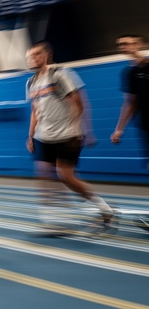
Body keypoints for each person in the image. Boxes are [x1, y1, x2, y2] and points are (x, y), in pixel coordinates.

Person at [25, 41, 115, 232]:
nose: (33, 59)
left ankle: (104, 208)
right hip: (44, 137)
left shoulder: (59, 74)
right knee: (43, 175)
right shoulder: (30, 82)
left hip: (67, 135)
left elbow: (79, 103)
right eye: (30, 56)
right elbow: (34, 110)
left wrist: (83, 130)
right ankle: (54, 220)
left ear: (47, 55)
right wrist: (30, 135)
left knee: (66, 177)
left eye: (37, 54)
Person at [110, 34, 149, 171]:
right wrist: (119, 129)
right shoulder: (129, 73)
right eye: (120, 45)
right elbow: (129, 103)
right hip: (146, 123)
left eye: (126, 43)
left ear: (137, 44)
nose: (122, 47)